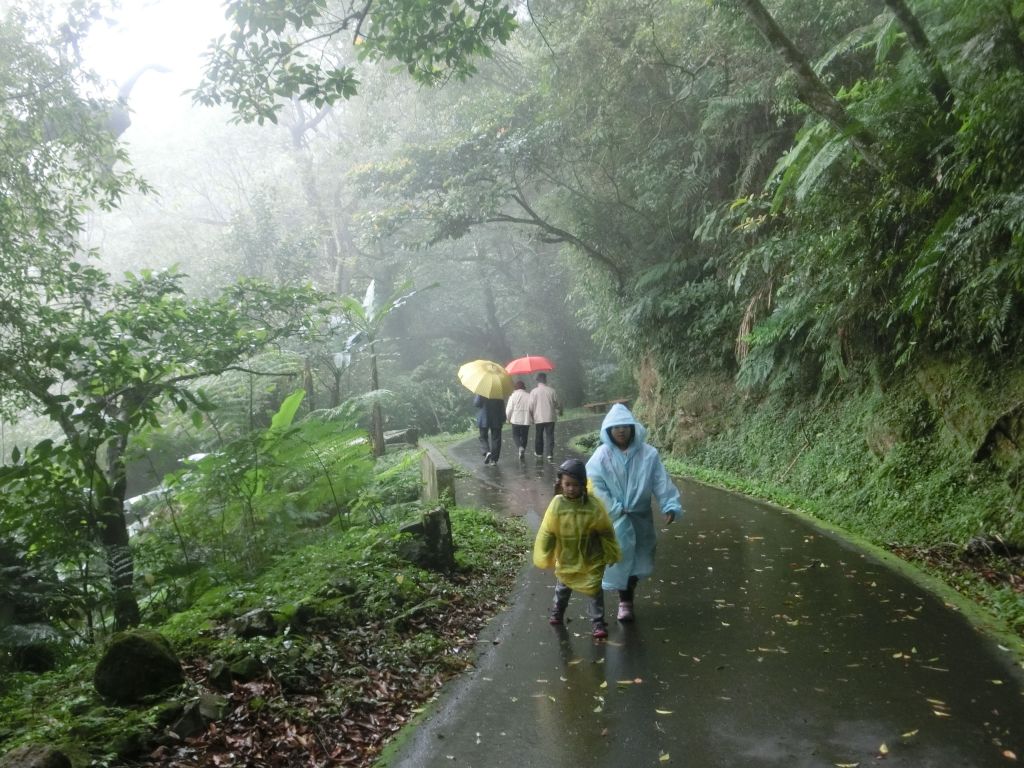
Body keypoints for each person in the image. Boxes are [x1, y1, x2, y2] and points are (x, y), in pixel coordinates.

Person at [585, 403, 682, 623]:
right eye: (616, 427)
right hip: (615, 519)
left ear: (632, 428)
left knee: (640, 557)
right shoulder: (601, 455)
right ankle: (624, 601)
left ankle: (629, 594)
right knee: (619, 558)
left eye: (625, 426)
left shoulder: (649, 455)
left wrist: (669, 504)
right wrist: (613, 508)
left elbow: (660, 481)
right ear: (608, 430)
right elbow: (594, 484)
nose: (621, 430)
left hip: (640, 518)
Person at [533, 458, 621, 639]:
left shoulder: (593, 506)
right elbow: (548, 530)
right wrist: (545, 551)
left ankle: (598, 622)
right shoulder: (557, 504)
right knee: (563, 588)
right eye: (567, 484)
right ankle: (557, 612)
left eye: (575, 484)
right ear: (561, 484)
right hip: (567, 556)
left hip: (591, 557)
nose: (571, 488)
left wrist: (610, 551)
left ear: (583, 484)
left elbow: (606, 531)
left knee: (594, 590)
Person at [528, 372, 560, 459]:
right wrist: (560, 410)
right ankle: (549, 453)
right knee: (550, 435)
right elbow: (557, 404)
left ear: (537, 381)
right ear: (545, 380)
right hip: (550, 416)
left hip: (538, 417)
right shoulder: (551, 390)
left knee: (539, 435)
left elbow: (530, 406)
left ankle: (539, 453)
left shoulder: (533, 392)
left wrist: (531, 416)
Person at [474, 393, 506, 465]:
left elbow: (476, 403)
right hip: (496, 418)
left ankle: (487, 451)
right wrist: (503, 418)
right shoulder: (498, 392)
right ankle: (494, 460)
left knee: (483, 437)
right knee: (496, 438)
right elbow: (502, 407)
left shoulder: (482, 391)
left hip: (484, 418)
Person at [505, 380, 532, 461]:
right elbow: (532, 408)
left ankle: (520, 447)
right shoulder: (529, 395)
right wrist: (533, 418)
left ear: (515, 388)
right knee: (524, 436)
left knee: (515, 435)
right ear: (524, 387)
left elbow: (509, 409)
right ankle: (522, 448)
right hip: (526, 419)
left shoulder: (513, 396)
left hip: (515, 419)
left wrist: (508, 419)